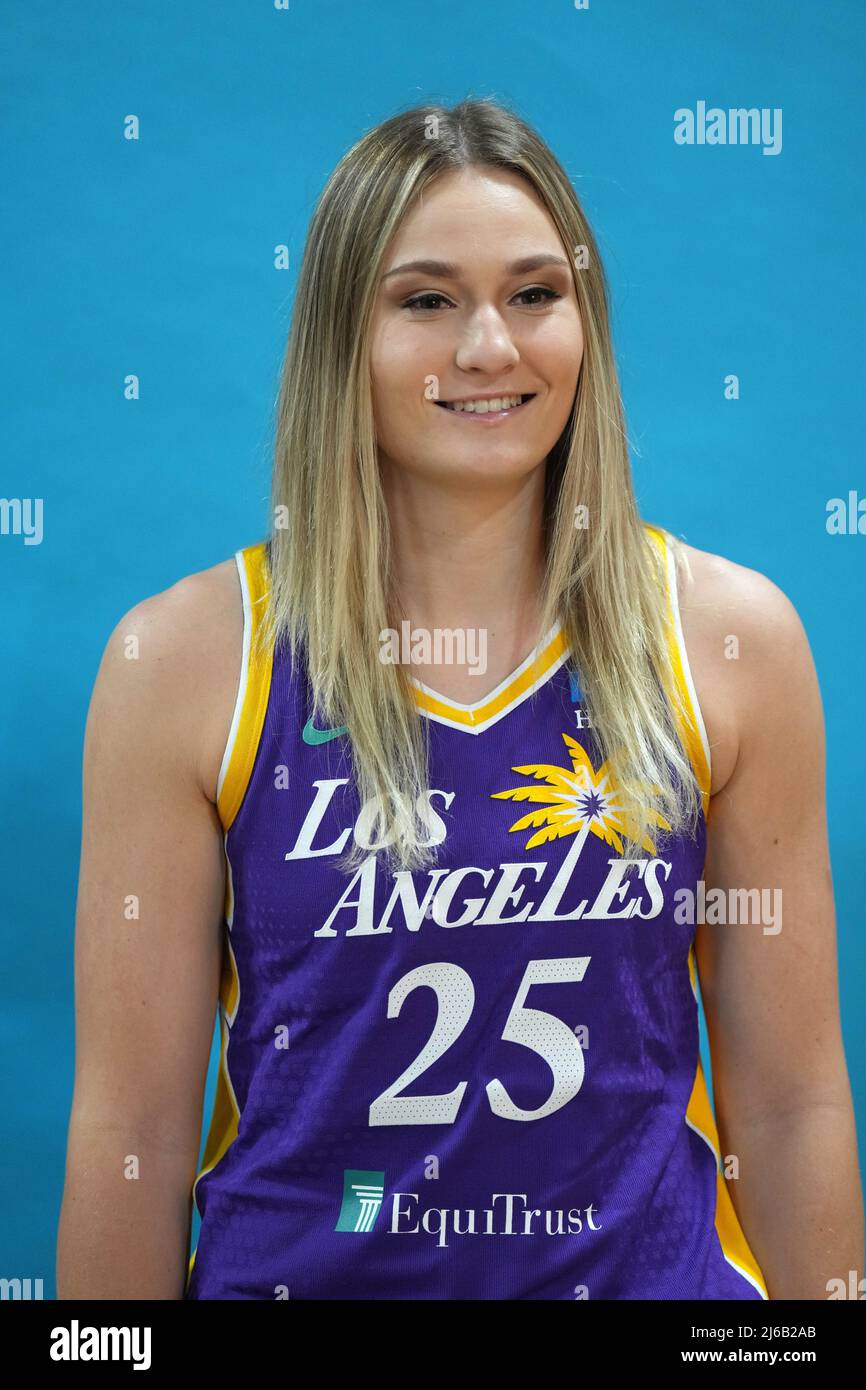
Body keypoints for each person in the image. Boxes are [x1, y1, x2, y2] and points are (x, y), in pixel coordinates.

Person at [57, 98, 862, 1300]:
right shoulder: (184, 665)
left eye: (536, 293)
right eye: (425, 299)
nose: (490, 346)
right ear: (342, 335)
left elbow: (792, 1104)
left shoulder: (730, 640)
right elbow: (131, 1135)